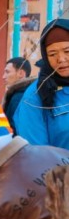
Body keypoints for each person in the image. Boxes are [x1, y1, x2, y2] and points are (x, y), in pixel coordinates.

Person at [15, 18, 69, 149]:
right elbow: (37, 155)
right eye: (52, 54)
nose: (61, 59)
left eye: (67, 51)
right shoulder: (34, 97)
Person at [1, 56, 33, 133]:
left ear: (21, 73)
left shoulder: (19, 97)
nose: (3, 77)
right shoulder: (30, 92)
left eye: (7, 72)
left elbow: (15, 129)